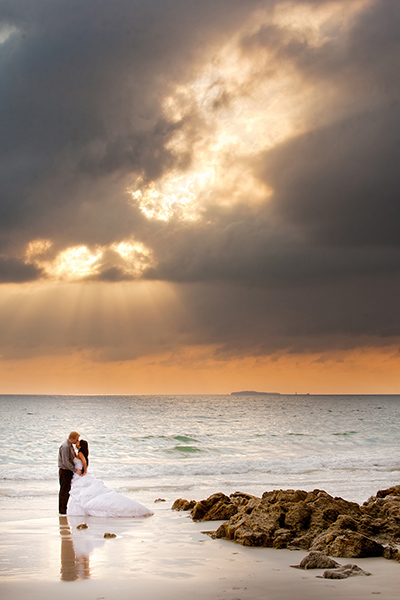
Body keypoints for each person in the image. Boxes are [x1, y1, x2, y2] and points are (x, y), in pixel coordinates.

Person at [67, 439, 153, 518]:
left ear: (81, 446)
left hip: (80, 475)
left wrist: (84, 471)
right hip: (78, 475)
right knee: (82, 492)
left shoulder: (80, 453)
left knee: (83, 493)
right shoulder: (82, 452)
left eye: (78, 443)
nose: (77, 443)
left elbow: (84, 462)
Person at [58, 431, 82, 515]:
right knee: (64, 490)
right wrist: (75, 470)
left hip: (68, 471)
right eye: (76, 439)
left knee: (67, 490)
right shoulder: (65, 446)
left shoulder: (70, 446)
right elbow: (65, 462)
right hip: (65, 471)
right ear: (72, 438)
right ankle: (62, 510)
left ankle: (64, 508)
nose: (77, 441)